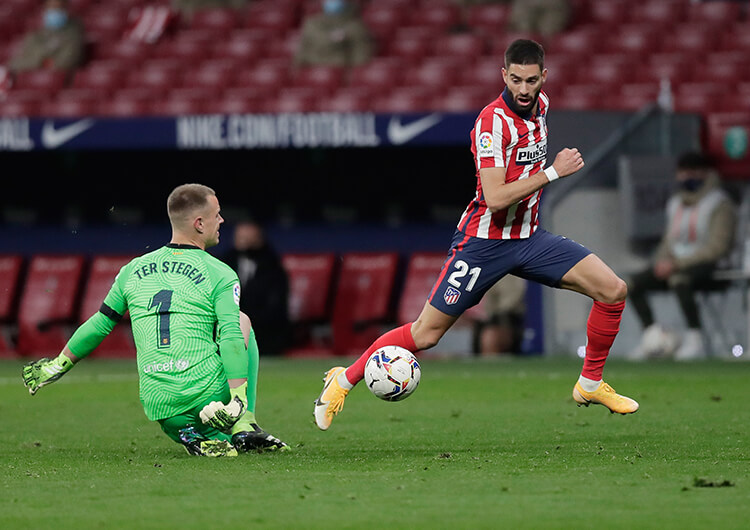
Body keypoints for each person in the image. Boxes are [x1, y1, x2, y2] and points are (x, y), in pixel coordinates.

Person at [314, 39, 639, 431]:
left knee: (613, 290)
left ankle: (590, 383)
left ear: (543, 78)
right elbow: (497, 197)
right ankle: (343, 381)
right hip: (483, 244)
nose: (523, 89)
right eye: (515, 79)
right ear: (503, 75)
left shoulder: (544, 106)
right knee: (426, 333)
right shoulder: (491, 123)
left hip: (530, 238)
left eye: (531, 80)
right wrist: (553, 172)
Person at [22, 184, 289, 457]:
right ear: (199, 223)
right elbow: (232, 337)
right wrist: (238, 400)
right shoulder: (220, 272)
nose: (221, 221)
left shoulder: (132, 269)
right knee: (241, 321)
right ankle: (244, 425)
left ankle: (193, 433)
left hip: (159, 403)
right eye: (217, 214)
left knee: (189, 412)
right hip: (207, 396)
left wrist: (58, 364)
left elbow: (100, 324)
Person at [627, 152, 737, 361]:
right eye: (684, 172)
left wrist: (676, 264)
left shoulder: (719, 204)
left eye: (694, 172)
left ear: (706, 174)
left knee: (680, 280)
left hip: (711, 267)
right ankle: (652, 338)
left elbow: (717, 247)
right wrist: (661, 261)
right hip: (675, 264)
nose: (688, 177)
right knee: (629, 284)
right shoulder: (676, 202)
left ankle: (695, 339)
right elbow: (669, 240)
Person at [220, 220, 290, 356]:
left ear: (259, 239)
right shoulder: (225, 263)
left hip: (265, 332)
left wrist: (247, 323)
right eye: (240, 238)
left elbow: (276, 307)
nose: (243, 242)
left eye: (248, 238)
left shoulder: (273, 266)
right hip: (230, 328)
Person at [7, 0, 86, 75]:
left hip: (59, 81)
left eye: (57, 8)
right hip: (33, 80)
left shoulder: (74, 33)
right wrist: (43, 62)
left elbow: (65, 62)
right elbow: (17, 62)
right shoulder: (36, 33)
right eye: (50, 7)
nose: (53, 11)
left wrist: (34, 61)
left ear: (66, 8)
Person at [293, 0, 374, 68]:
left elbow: (360, 55)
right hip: (312, 68)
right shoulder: (312, 23)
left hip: (340, 70)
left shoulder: (356, 26)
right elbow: (303, 50)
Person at [471, 275, 527, 356]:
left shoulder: (510, 276)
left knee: (493, 332)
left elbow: (511, 301)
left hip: (507, 317)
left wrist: (499, 316)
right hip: (491, 316)